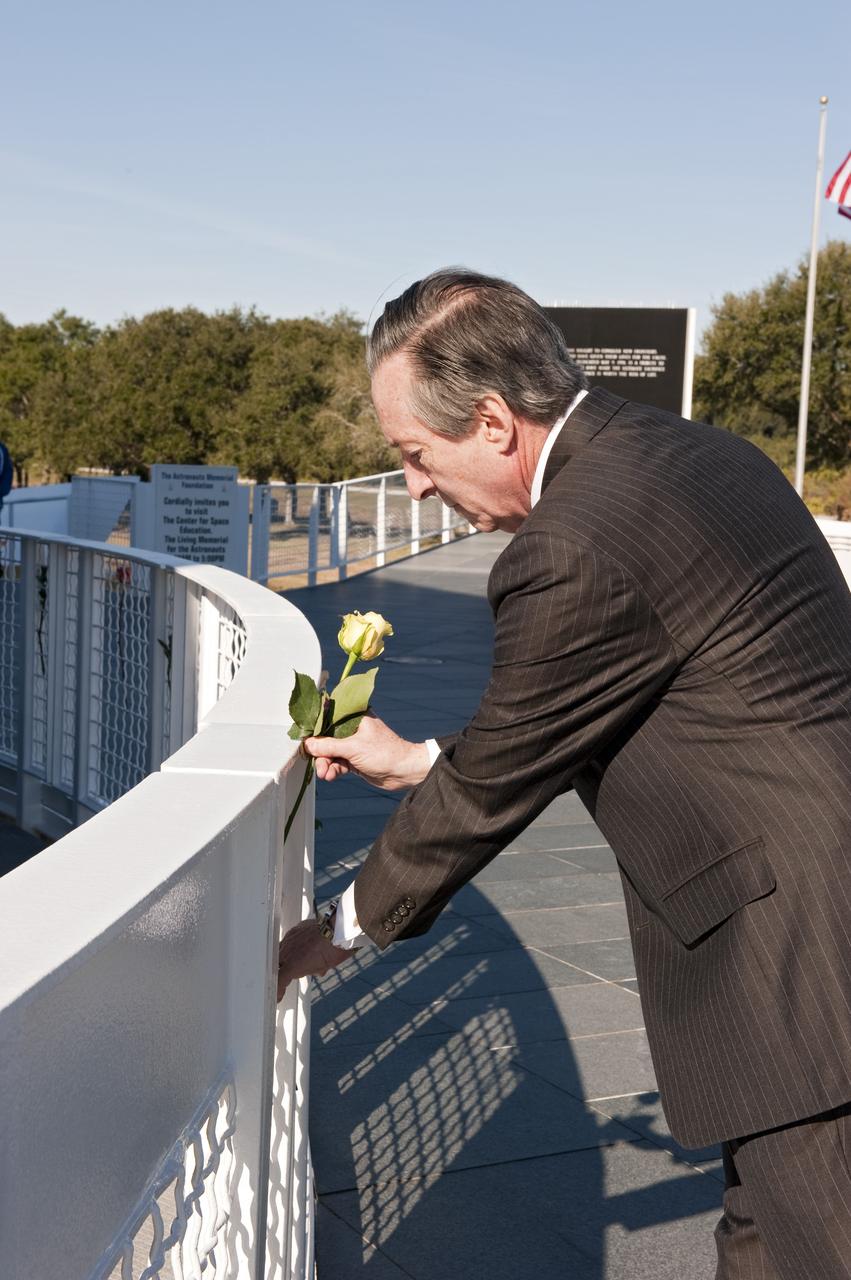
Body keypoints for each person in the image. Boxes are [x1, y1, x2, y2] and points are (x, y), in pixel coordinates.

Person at [277, 268, 851, 1278]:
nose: (411, 484)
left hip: (802, 964)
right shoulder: (691, 451)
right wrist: (418, 760)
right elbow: (591, 709)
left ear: (493, 422)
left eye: (414, 453)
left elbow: (496, 779)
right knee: (764, 1231)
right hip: (818, 920)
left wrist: (337, 929)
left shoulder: (572, 542)